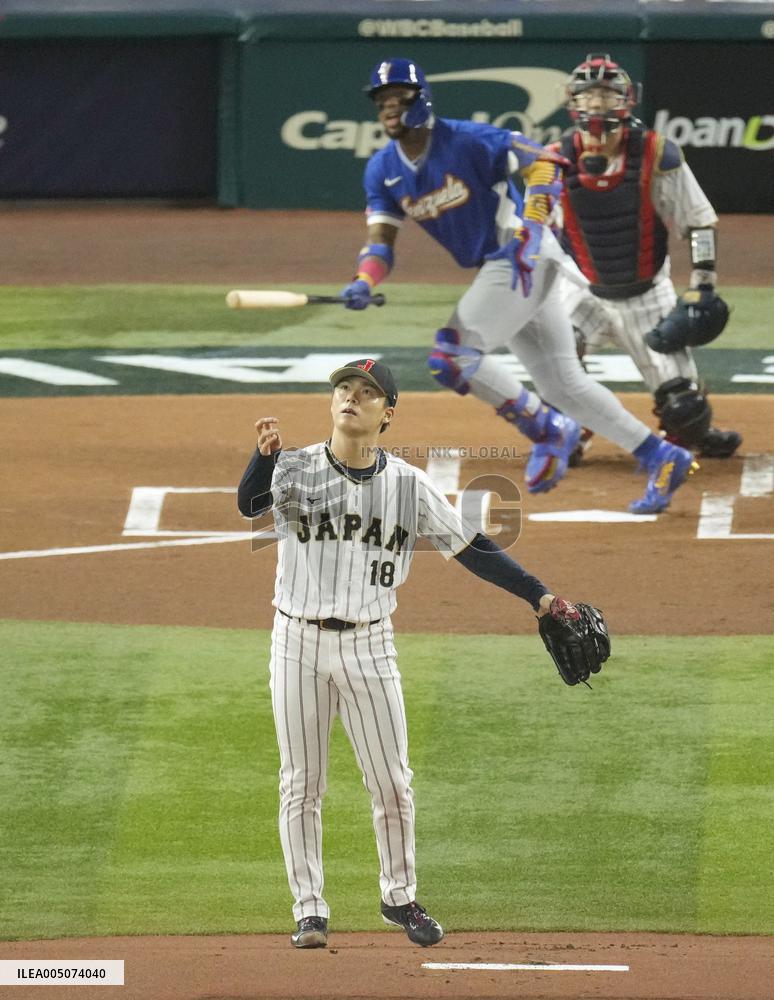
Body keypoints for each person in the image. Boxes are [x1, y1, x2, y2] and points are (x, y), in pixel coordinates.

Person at [237, 358, 600, 949]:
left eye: (366, 393)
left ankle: (398, 898)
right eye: (344, 390)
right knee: (301, 783)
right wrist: (262, 456)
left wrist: (540, 597)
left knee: (391, 783)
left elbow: (473, 548)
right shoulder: (295, 465)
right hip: (295, 641)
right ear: (333, 403)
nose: (351, 398)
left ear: (388, 412)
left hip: (370, 644)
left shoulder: (409, 486)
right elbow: (249, 505)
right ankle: (309, 909)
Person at [340, 57, 698, 516]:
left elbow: (544, 162)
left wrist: (532, 226)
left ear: (421, 98)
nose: (389, 108)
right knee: (564, 383)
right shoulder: (382, 169)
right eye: (381, 101)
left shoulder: (467, 138)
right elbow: (380, 245)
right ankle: (662, 455)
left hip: (521, 257)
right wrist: (364, 280)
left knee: (452, 356)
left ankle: (547, 430)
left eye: (398, 98)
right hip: (507, 266)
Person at [553, 53, 742, 460]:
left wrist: (702, 288)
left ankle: (687, 438)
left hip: (646, 293)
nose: (598, 103)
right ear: (574, 104)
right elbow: (538, 233)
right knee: (554, 359)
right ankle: (574, 431)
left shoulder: (657, 154)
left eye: (606, 94)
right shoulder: (554, 159)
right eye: (589, 95)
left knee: (686, 413)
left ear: (625, 100)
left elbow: (699, 222)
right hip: (583, 288)